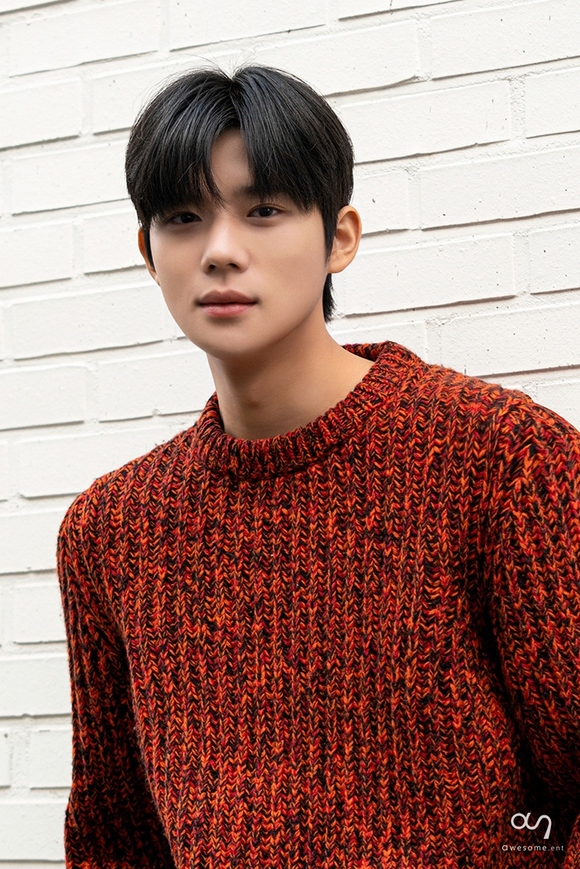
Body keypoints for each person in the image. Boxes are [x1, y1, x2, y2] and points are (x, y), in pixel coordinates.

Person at [57, 65, 580, 868]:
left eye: (263, 210)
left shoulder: (504, 461)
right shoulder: (112, 531)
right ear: (148, 253)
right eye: (184, 217)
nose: (220, 251)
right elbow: (113, 838)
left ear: (340, 237)